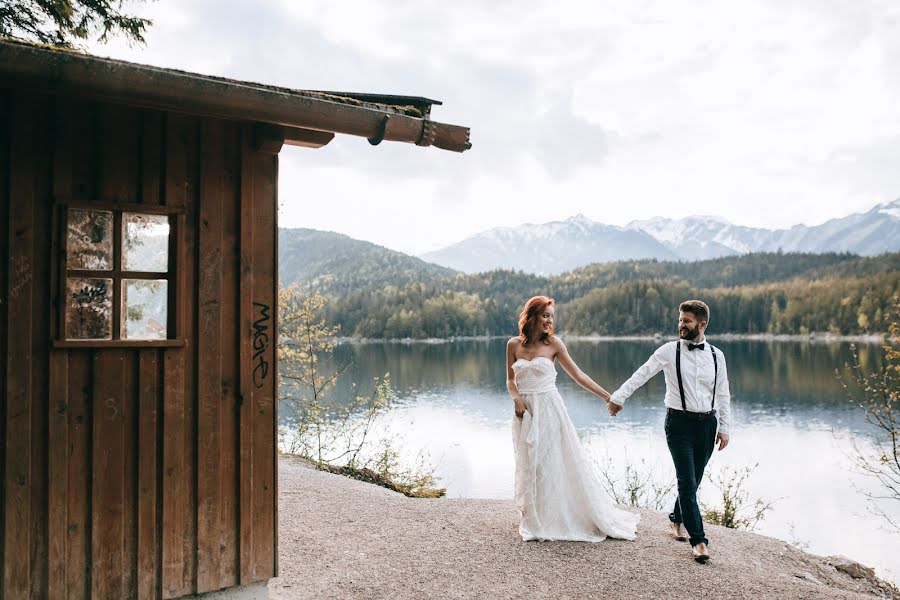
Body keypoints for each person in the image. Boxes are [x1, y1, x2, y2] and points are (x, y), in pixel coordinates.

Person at [508, 295, 640, 542]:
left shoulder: (554, 344)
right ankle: (535, 517)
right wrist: (516, 398)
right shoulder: (513, 345)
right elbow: (509, 380)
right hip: (525, 412)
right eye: (545, 315)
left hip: (549, 409)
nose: (549, 320)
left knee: (549, 461)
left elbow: (579, 375)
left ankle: (556, 517)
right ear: (531, 316)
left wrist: (607, 397)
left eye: (551, 316)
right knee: (530, 463)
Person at [608, 300, 732, 563]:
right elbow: (642, 374)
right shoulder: (668, 351)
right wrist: (619, 397)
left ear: (702, 324)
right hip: (678, 425)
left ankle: (676, 518)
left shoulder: (716, 356)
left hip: (707, 426)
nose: (681, 326)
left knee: (693, 482)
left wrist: (724, 428)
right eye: (680, 321)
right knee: (687, 482)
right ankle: (698, 541)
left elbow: (723, 394)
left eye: (686, 321)